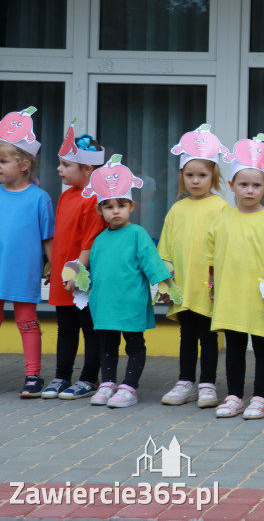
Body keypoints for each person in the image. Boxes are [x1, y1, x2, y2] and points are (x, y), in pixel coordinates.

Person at [83, 156, 173, 408]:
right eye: (109, 206)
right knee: (107, 345)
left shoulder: (137, 234)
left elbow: (151, 263)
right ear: (100, 210)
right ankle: (108, 383)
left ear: (131, 206)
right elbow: (94, 271)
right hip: (104, 303)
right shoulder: (99, 240)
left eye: (121, 205)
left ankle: (129, 387)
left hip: (131, 301)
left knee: (134, 344)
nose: (115, 211)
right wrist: (77, 279)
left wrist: (165, 286)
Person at [206, 134, 264, 419]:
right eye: (243, 184)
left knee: (262, 346)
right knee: (235, 346)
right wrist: (212, 286)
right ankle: (235, 396)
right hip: (230, 294)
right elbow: (211, 257)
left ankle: (261, 397)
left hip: (260, 297)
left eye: (256, 185)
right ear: (231, 186)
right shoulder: (223, 218)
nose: (249, 190)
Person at [159, 124, 229, 409]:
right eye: (190, 175)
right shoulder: (177, 209)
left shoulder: (221, 207)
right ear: (181, 177)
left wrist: (221, 282)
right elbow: (164, 249)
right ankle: (185, 381)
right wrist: (164, 283)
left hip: (209, 286)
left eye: (202, 175)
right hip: (183, 285)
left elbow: (226, 248)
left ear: (213, 175)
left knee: (209, 337)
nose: (196, 181)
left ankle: (208, 384)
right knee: (187, 335)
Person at [40, 123, 107, 400]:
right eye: (60, 164)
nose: (59, 169)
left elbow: (89, 242)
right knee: (66, 327)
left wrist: (77, 272)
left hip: (82, 278)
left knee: (90, 328)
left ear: (87, 170)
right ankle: (62, 376)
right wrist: (53, 268)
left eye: (66, 164)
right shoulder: (66, 195)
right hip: (64, 276)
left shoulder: (93, 199)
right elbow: (61, 237)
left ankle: (89, 378)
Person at [0, 107, 54, 398]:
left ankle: (33, 376)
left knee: (27, 323)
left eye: (3, 161)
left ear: (23, 164)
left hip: (23, 272)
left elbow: (48, 239)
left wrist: (56, 269)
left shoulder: (39, 199)